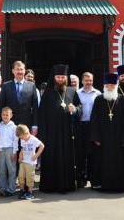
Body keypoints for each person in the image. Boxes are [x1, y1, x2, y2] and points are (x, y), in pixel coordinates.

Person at [37, 64, 81, 193]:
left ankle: (67, 185)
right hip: (52, 133)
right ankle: (50, 186)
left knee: (67, 158)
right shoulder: (48, 93)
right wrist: (43, 135)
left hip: (68, 132)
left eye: (63, 77)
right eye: (58, 77)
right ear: (54, 77)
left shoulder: (72, 92)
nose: (60, 79)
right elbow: (42, 115)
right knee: (52, 157)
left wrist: (76, 109)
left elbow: (80, 107)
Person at [90, 73, 124, 192]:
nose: (110, 87)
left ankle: (119, 186)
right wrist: (96, 137)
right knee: (103, 162)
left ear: (116, 86)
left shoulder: (121, 99)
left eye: (113, 85)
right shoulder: (99, 99)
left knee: (119, 162)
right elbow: (94, 119)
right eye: (108, 85)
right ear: (104, 86)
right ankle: (104, 185)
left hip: (118, 138)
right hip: (103, 139)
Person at [76, 72, 100, 188]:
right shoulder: (77, 94)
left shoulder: (98, 94)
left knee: (93, 154)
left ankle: (94, 179)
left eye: (90, 80)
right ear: (82, 81)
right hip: (80, 126)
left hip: (93, 126)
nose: (88, 82)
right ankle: (81, 179)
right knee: (81, 153)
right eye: (86, 80)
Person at [0, 61, 38, 130]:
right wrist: (0, 123)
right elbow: (1, 105)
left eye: (21, 69)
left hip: (26, 124)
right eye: (17, 69)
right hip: (9, 124)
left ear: (24, 71)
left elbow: (35, 107)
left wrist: (35, 125)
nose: (19, 72)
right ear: (13, 71)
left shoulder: (31, 86)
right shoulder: (6, 86)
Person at [16, 124, 44, 200]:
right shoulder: (22, 139)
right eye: (20, 138)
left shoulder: (33, 139)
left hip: (31, 163)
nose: (22, 139)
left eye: (22, 137)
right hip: (23, 162)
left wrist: (36, 155)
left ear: (26, 133)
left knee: (30, 177)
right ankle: (22, 191)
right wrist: (20, 156)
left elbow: (42, 146)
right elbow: (22, 148)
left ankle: (30, 192)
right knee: (20, 176)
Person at [0, 107, 17, 197]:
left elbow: (15, 140)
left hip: (10, 149)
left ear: (11, 115)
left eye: (7, 115)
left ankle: (11, 189)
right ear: (1, 115)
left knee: (11, 170)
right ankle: (2, 189)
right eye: (3, 115)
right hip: (1, 150)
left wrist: (15, 152)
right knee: (1, 170)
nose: (5, 116)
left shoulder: (14, 127)